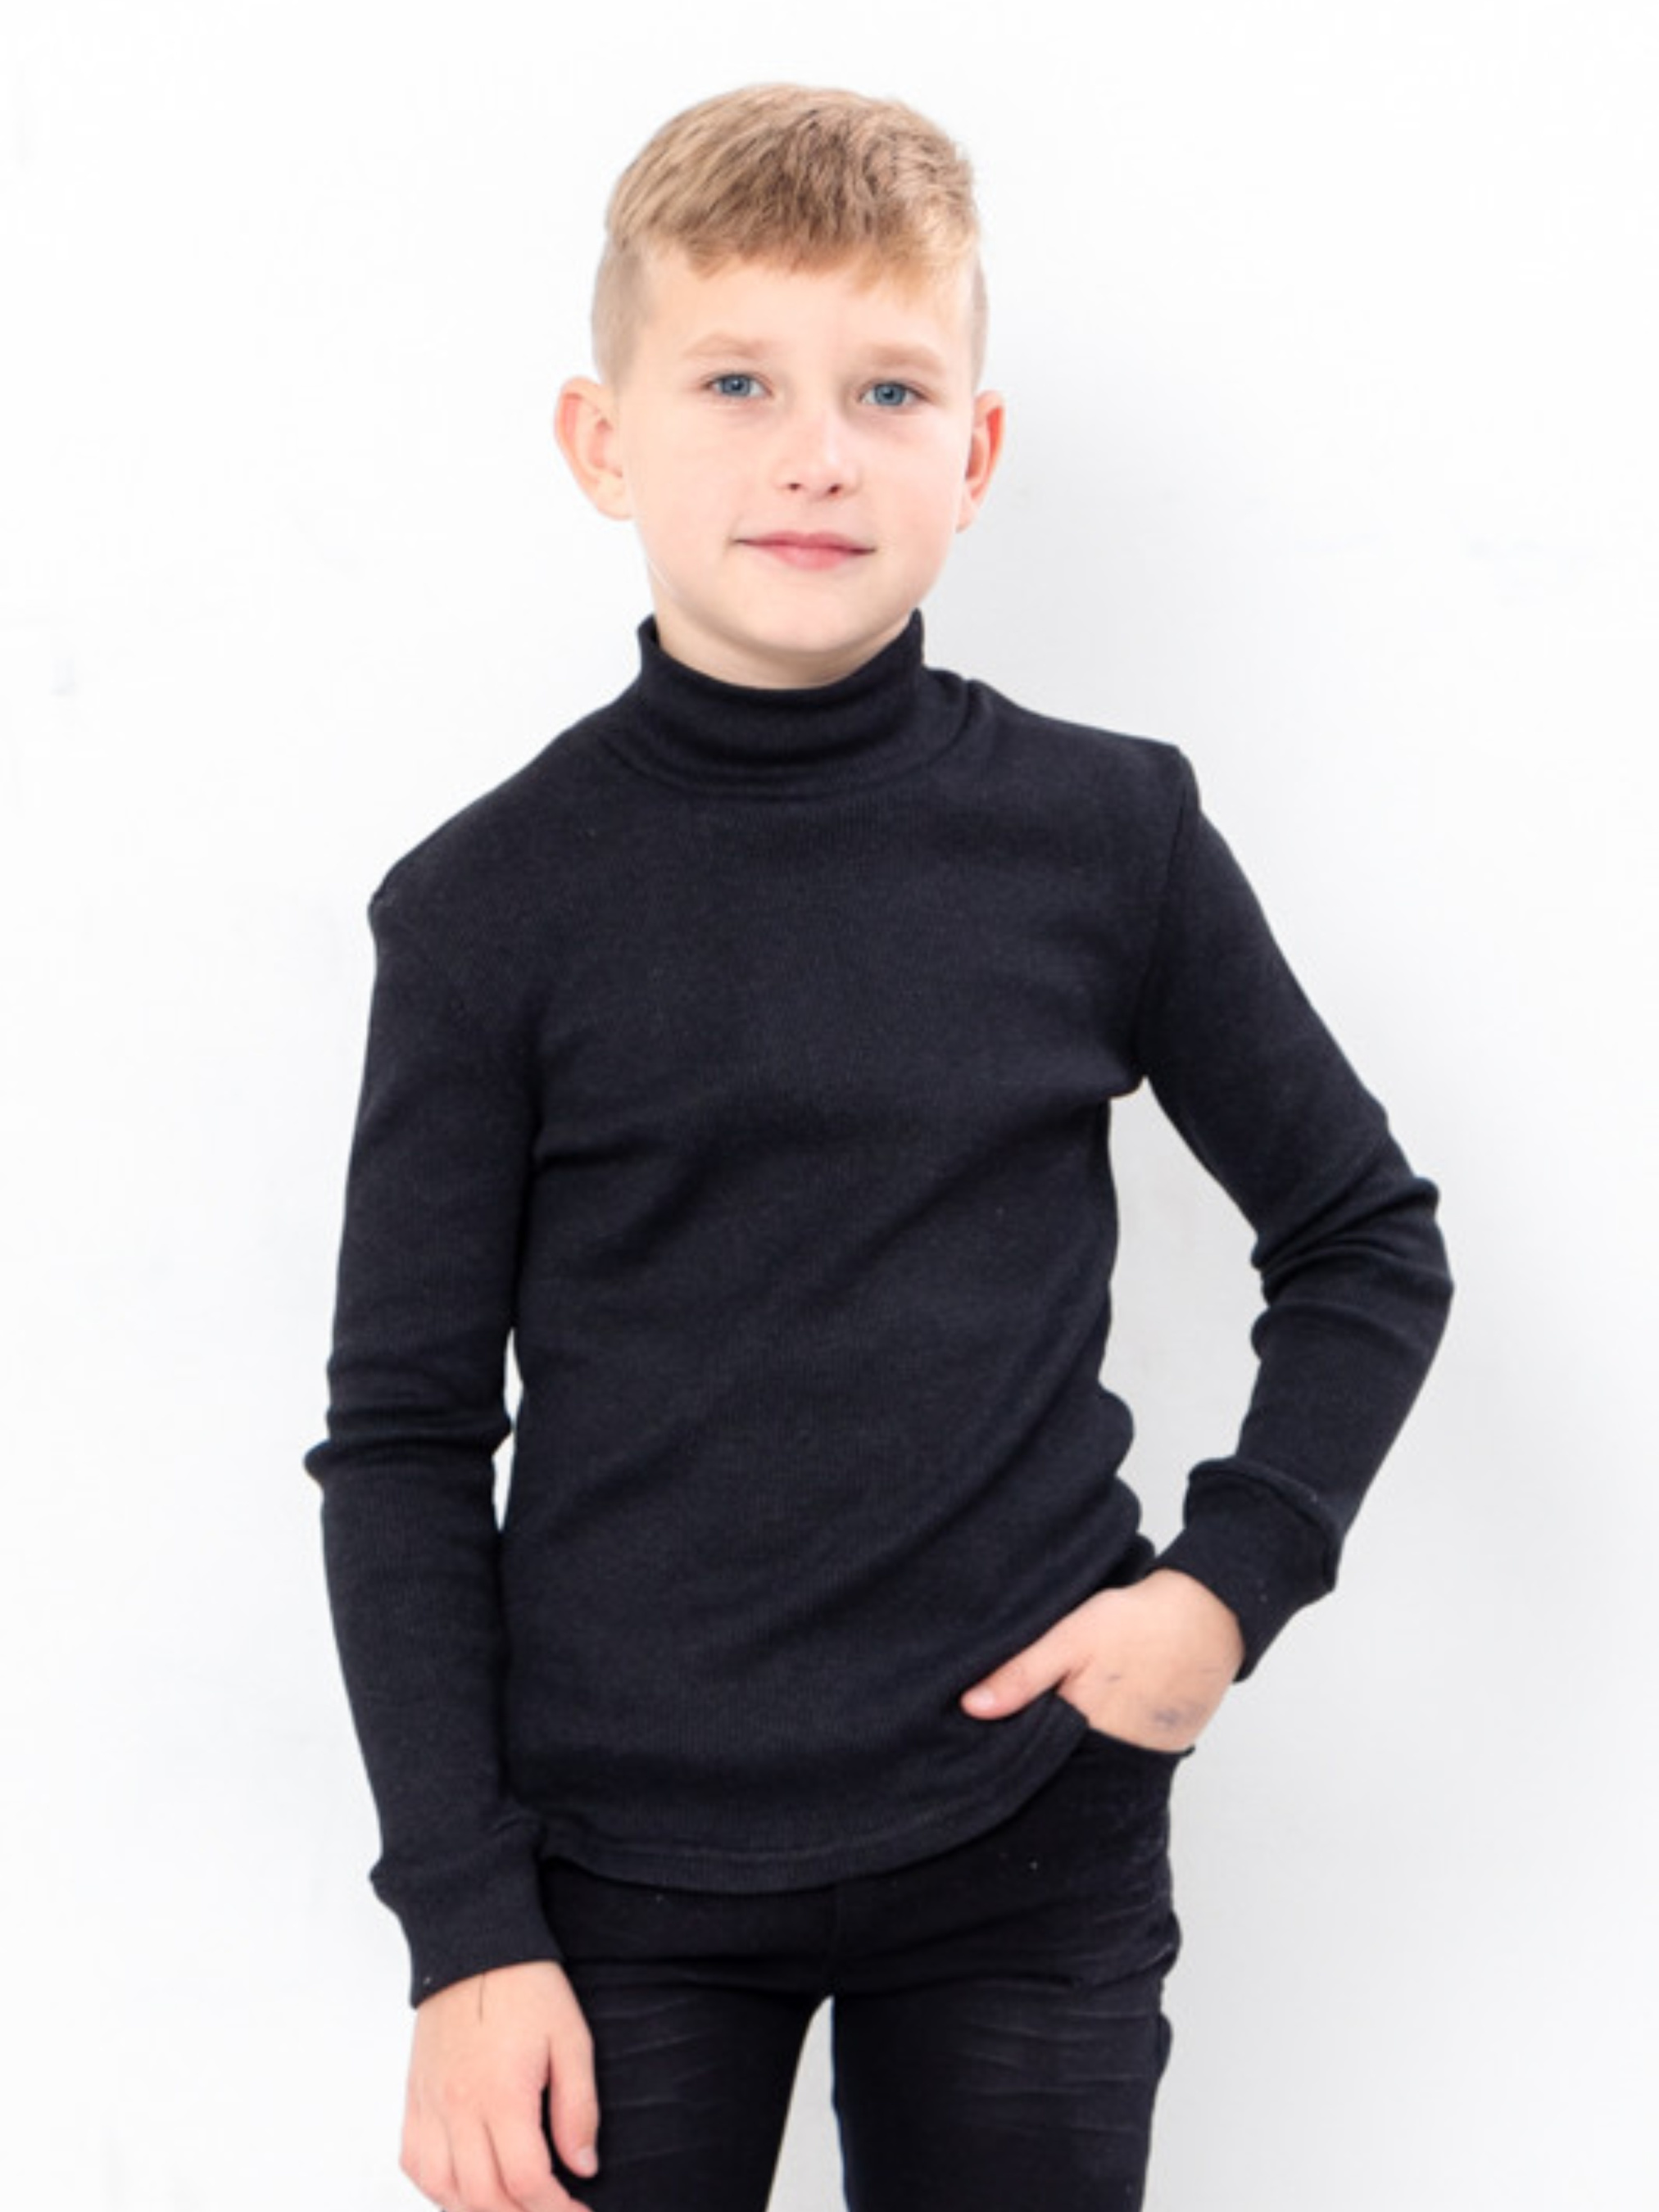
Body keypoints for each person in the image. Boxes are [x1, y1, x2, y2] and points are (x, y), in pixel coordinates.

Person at [306, 84, 1452, 2212]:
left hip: (1028, 1835)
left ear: (975, 452)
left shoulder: (1107, 836)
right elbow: (402, 1440)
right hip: (611, 1881)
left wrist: (1226, 1586)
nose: (816, 451)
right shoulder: (484, 909)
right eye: (736, 381)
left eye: (888, 390)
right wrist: (463, 1929)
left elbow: (1362, 1235)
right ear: (601, 440)